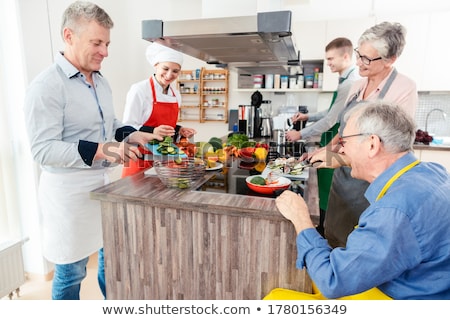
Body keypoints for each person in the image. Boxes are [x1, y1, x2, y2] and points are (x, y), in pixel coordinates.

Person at [24, 1, 162, 300]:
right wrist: (104, 150)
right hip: (68, 196)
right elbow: (44, 150)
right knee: (71, 272)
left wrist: (139, 135)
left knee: (108, 260)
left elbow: (110, 124)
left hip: (102, 188)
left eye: (107, 43)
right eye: (97, 42)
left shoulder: (100, 81)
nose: (105, 52)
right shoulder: (46, 86)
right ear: (69, 36)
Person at [266, 101, 450, 300]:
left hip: (405, 299)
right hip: (427, 285)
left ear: (372, 144)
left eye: (344, 143)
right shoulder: (432, 171)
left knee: (276, 299)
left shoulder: (393, 211)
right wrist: (349, 160)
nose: (341, 151)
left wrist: (301, 218)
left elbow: (333, 280)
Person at [311, 22, 418, 248]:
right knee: (333, 239)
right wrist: (326, 150)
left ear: (390, 60)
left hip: (371, 188)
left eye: (367, 59)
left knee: (361, 248)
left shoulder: (404, 89)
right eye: (359, 55)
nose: (358, 62)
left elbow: (390, 149)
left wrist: (336, 158)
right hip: (342, 183)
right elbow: (343, 129)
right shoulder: (358, 85)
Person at [285, 37, 360, 234]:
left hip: (336, 144)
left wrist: (299, 133)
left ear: (346, 56)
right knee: (326, 188)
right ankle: (325, 228)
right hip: (331, 142)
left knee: (330, 189)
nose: (328, 63)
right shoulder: (345, 81)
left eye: (330, 59)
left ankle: (326, 231)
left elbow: (330, 121)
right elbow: (330, 112)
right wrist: (307, 116)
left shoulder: (349, 84)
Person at [121, 42, 197, 177]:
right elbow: (126, 128)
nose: (169, 75)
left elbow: (166, 128)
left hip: (166, 162)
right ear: (156, 65)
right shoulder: (139, 90)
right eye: (165, 68)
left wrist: (179, 130)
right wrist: (153, 131)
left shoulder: (176, 95)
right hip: (140, 159)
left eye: (175, 71)